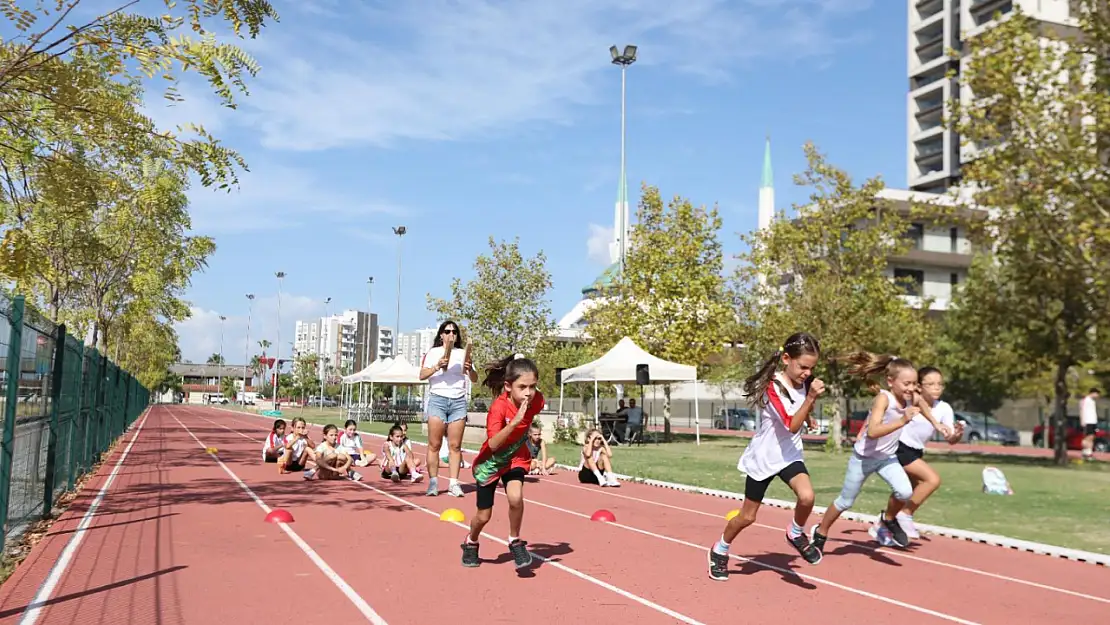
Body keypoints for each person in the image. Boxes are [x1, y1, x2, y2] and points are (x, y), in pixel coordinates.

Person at [708, 332, 825, 581]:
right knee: (748, 517)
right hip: (764, 457)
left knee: (807, 497)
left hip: (790, 454)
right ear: (786, 358)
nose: (807, 373)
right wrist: (812, 398)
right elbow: (791, 424)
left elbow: (801, 408)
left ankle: (795, 533)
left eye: (811, 368)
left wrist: (810, 412)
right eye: (803, 366)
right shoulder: (773, 388)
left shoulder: (806, 381)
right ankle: (720, 549)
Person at [810, 353, 951, 553]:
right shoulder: (883, 399)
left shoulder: (912, 397)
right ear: (890, 381)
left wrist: (937, 424)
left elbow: (923, 405)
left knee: (905, 492)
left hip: (887, 459)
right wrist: (903, 421)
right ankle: (821, 531)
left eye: (914, 383)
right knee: (845, 501)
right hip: (863, 459)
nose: (911, 388)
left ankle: (888, 519)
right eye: (906, 384)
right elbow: (873, 431)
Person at [461, 355, 544, 569]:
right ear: (508, 386)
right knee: (483, 516)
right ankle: (471, 541)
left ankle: (514, 540)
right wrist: (515, 422)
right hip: (492, 462)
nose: (528, 392)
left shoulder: (536, 400)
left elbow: (534, 404)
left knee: (516, 498)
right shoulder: (498, 408)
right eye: (522, 386)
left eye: (532, 386)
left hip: (516, 456)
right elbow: (494, 443)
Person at [875, 366, 963, 540]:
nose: (936, 387)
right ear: (919, 387)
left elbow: (950, 439)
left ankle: (882, 524)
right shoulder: (910, 401)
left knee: (904, 492)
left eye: (940, 384)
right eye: (930, 384)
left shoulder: (944, 408)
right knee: (932, 479)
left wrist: (957, 435)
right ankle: (905, 514)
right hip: (900, 447)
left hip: (916, 451)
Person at [420, 320, 478, 497]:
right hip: (438, 399)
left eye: (454, 332)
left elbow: (475, 378)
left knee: (455, 445)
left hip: (458, 401)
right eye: (447, 331)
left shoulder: (462, 353)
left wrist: (469, 370)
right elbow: (422, 375)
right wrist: (437, 365)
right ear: (441, 335)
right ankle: (433, 482)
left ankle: (454, 483)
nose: (451, 334)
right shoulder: (433, 353)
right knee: (435, 444)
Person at [1080, 388, 1100, 461]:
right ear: (1093, 393)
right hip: (1087, 421)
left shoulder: (1092, 401)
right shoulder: (1085, 400)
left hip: (1093, 421)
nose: (1097, 396)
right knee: (1087, 437)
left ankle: (1089, 452)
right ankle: (1085, 452)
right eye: (1097, 394)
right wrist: (1082, 420)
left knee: (1092, 437)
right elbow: (1081, 410)